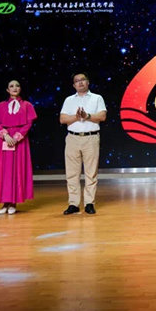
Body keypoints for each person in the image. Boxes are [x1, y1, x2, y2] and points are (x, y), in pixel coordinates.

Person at [59, 73, 107, 215]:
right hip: (72, 138)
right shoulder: (69, 100)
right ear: (74, 85)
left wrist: (87, 116)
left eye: (82, 80)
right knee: (72, 173)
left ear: (88, 82)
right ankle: (73, 203)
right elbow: (62, 119)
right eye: (77, 81)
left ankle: (89, 203)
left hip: (90, 138)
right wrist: (77, 117)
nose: (80, 83)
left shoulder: (97, 98)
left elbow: (102, 116)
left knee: (91, 172)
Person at [0, 79, 36, 214]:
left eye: (17, 86)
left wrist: (16, 137)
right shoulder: (1, 106)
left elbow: (28, 124)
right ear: (7, 90)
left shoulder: (27, 105)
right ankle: (5, 203)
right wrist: (5, 135)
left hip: (19, 141)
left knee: (17, 170)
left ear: (20, 89)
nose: (14, 88)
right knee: (3, 171)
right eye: (11, 86)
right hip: (3, 140)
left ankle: (13, 202)